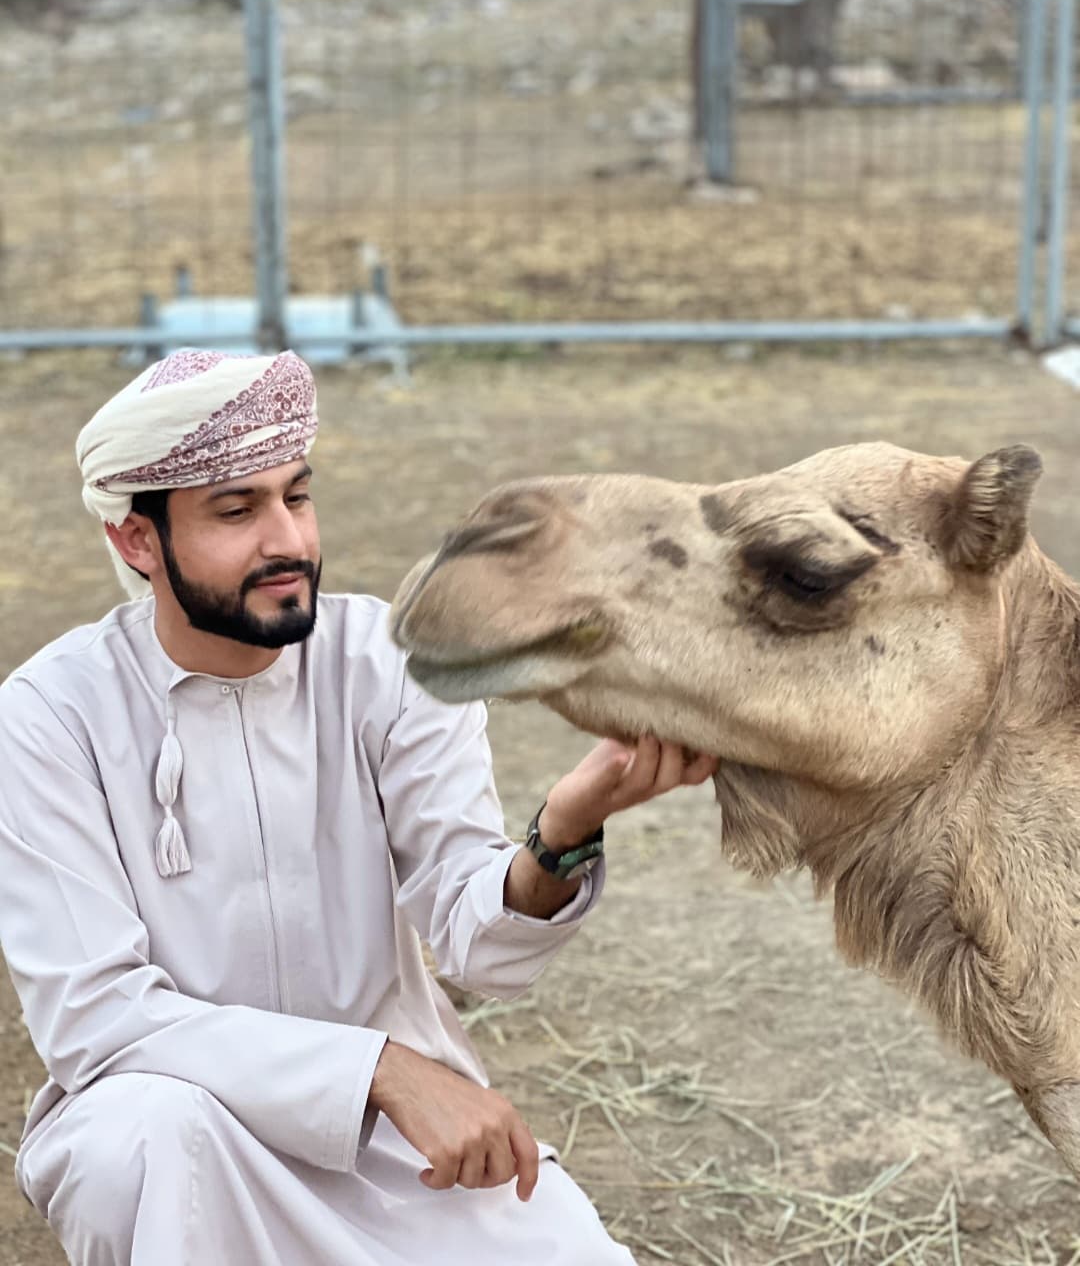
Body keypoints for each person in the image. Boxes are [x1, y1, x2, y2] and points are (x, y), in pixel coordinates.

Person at [0, 349, 717, 1265]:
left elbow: (478, 940)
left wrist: (566, 829)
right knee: (135, 1139)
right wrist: (379, 1069)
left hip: (397, 1152)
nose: (288, 541)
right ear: (137, 541)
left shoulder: (385, 666)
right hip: (186, 1132)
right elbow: (98, 1018)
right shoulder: (52, 714)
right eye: (235, 510)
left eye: (295, 497)